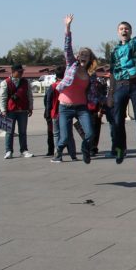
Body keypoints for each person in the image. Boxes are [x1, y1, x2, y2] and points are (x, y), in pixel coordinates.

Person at [108, 5, 136, 165]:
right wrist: (110, 94)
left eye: (126, 28)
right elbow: (112, 72)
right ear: (118, 32)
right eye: (121, 28)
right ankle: (120, 148)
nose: (124, 30)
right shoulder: (115, 51)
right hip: (120, 86)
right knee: (117, 120)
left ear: (130, 31)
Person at [52, 14, 97, 164]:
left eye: (87, 55)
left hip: (81, 107)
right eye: (81, 54)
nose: (83, 56)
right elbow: (67, 47)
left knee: (90, 133)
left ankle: (85, 149)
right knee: (64, 137)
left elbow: (94, 92)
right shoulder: (71, 64)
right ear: (78, 57)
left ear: (90, 59)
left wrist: (107, 100)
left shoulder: (91, 74)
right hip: (65, 107)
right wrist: (67, 28)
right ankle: (58, 151)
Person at [0, 63, 34, 159]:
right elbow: (3, 97)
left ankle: (24, 150)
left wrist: (30, 107)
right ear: (13, 72)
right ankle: (8, 151)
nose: (21, 73)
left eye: (22, 72)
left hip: (23, 110)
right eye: (19, 72)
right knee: (9, 132)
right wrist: (3, 110)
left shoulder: (26, 82)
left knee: (23, 132)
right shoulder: (5, 83)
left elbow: (29, 95)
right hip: (10, 111)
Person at [46, 65, 78, 161]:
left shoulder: (53, 86)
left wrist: (48, 113)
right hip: (67, 113)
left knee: (57, 134)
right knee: (69, 134)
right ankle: (73, 155)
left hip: (55, 113)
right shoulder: (68, 85)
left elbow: (48, 101)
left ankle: (58, 155)